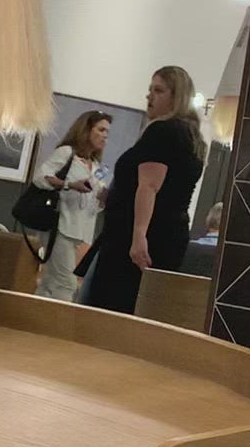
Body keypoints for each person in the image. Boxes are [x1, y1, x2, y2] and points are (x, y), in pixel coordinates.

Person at [81, 65, 206, 315]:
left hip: (138, 238)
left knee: (110, 311)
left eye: (158, 90)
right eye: (150, 89)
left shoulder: (163, 130)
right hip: (167, 234)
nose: (149, 96)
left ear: (176, 96)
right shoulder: (192, 138)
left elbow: (149, 185)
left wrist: (139, 236)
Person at [32, 110, 112, 301]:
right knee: (65, 283)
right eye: (101, 130)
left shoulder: (95, 165)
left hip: (81, 230)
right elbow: (40, 177)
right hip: (60, 226)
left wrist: (104, 198)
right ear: (87, 129)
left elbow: (93, 203)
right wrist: (69, 185)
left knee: (51, 282)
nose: (105, 136)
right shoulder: (66, 153)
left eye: (107, 132)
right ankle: (56, 324)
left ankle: (32, 319)